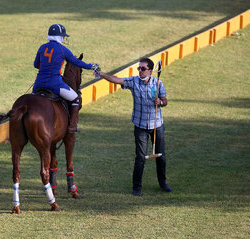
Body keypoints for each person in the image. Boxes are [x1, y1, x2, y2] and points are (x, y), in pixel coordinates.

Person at [98, 58, 172, 196]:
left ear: (150, 71)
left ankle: (163, 183)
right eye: (139, 68)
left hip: (157, 125)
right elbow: (116, 80)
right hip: (140, 126)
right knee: (140, 157)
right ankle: (137, 187)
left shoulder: (158, 83)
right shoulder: (133, 81)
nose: (140, 71)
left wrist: (160, 102)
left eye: (143, 69)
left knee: (161, 156)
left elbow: (165, 101)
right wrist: (101, 74)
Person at [33, 24, 100, 133]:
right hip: (55, 85)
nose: (64, 38)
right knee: (76, 99)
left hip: (38, 85)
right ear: (59, 37)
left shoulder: (42, 47)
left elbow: (36, 65)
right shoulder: (63, 50)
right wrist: (91, 66)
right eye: (63, 36)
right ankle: (72, 126)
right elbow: (76, 62)